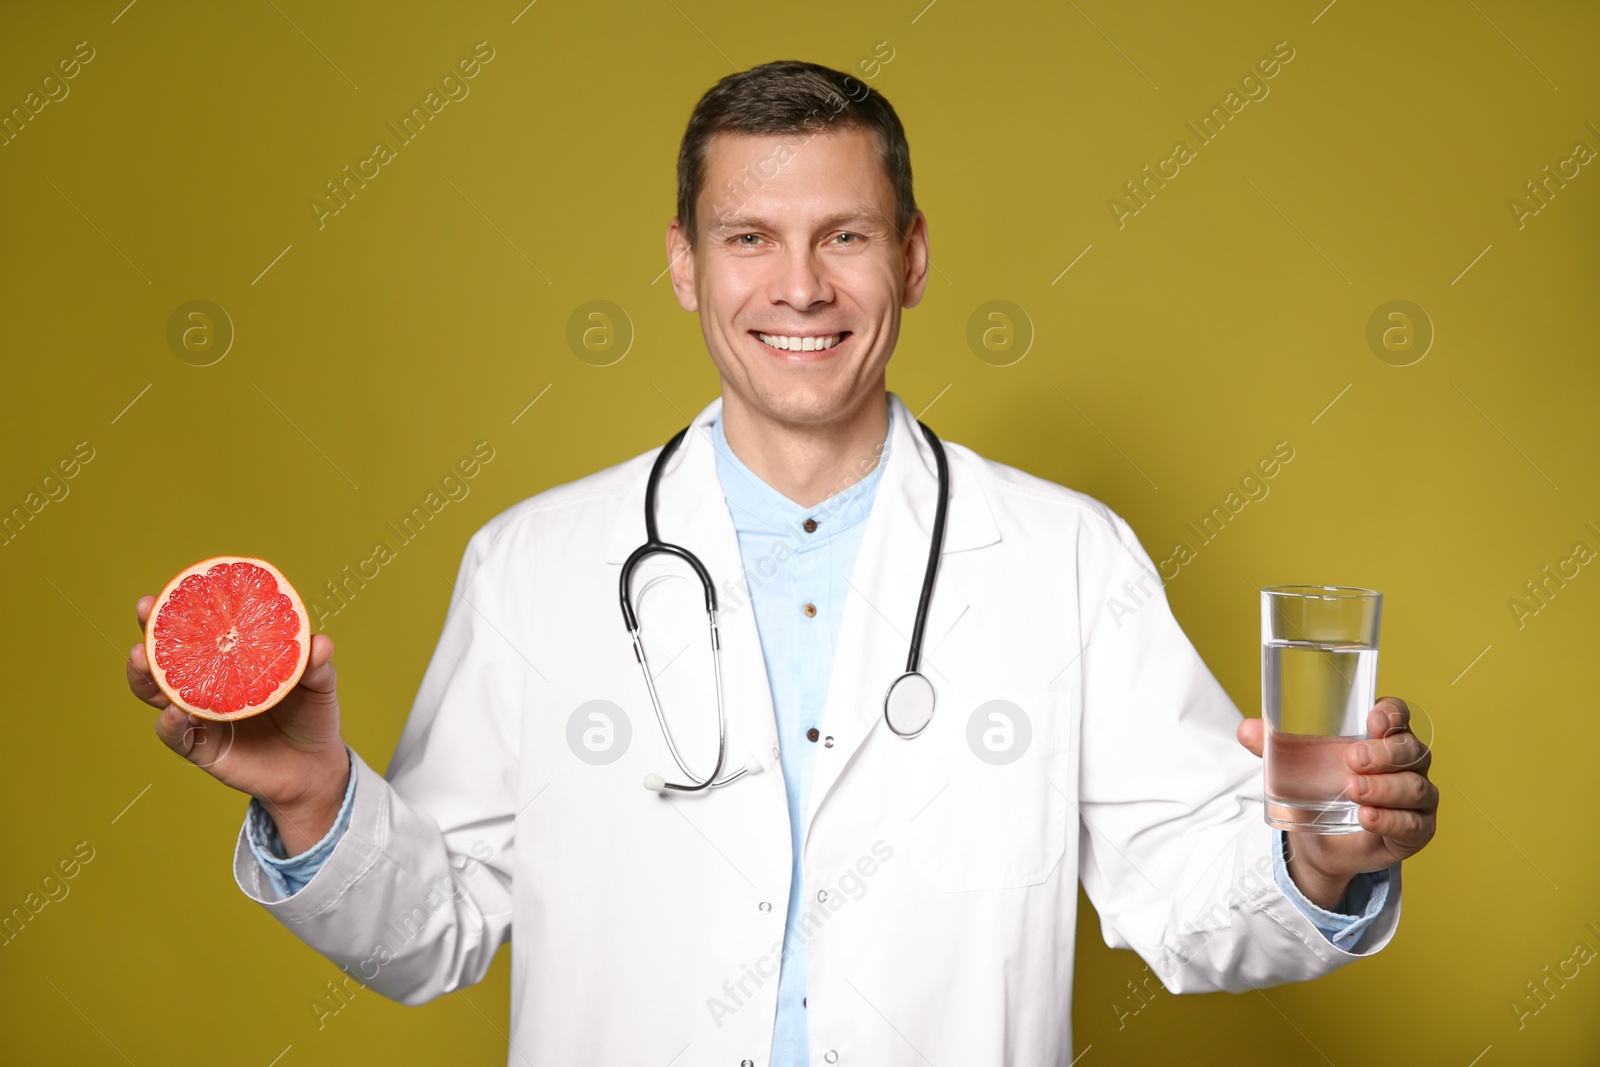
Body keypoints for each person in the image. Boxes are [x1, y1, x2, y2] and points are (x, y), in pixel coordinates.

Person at [124, 60, 1437, 1065]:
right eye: (751, 238)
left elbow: (1195, 901)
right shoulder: (534, 562)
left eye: (846, 236)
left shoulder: (1065, 560)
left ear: (912, 259)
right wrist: (313, 798)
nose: (799, 285)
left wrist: (1328, 857)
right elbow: (437, 931)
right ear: (686, 267)